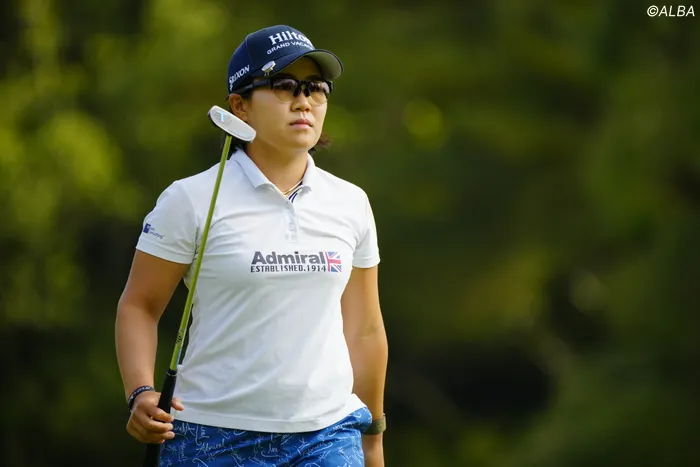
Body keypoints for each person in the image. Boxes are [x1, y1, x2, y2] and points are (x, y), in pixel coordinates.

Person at [115, 24, 388, 467]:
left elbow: (365, 330)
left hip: (327, 435)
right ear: (239, 106)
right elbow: (139, 306)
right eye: (284, 85)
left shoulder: (350, 202)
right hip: (210, 435)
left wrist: (372, 437)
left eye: (316, 88)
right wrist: (141, 391)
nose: (303, 100)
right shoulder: (190, 199)